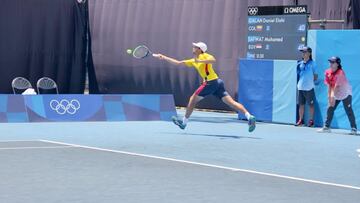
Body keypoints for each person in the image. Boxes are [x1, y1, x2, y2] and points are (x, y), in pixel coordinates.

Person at [153, 42, 256, 132]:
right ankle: (249, 116)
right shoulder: (194, 60)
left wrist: (200, 61)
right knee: (231, 103)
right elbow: (178, 63)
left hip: (210, 82)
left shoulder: (205, 55)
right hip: (217, 82)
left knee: (192, 99)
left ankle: (184, 123)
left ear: (200, 50)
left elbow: (213, 60)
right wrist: (164, 57)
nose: (193, 48)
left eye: (196, 47)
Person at [318, 56, 357, 135]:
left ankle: (354, 128)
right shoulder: (327, 72)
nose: (331, 64)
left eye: (333, 62)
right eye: (330, 62)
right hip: (335, 93)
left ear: (337, 64)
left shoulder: (340, 73)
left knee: (348, 110)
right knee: (330, 108)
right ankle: (326, 127)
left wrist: (332, 97)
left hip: (345, 93)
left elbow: (336, 87)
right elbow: (329, 86)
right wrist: (329, 97)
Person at [295, 46, 318, 127]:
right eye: (302, 52)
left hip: (309, 88)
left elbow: (315, 76)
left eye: (305, 52)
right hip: (300, 87)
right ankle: (300, 120)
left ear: (309, 53)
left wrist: (309, 82)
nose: (303, 54)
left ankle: (311, 121)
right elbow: (298, 75)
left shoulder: (313, 64)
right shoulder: (299, 64)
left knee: (311, 105)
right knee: (301, 105)